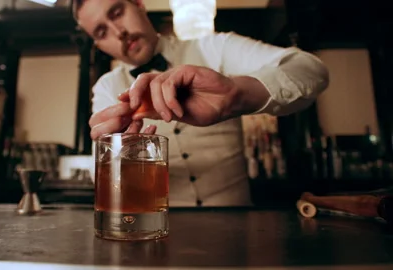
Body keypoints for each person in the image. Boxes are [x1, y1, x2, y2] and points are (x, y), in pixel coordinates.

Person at [74, 0, 329, 207]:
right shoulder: (107, 89)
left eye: (117, 13)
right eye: (102, 32)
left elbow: (310, 70)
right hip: (157, 233)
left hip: (236, 225)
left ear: (139, 4)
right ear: (99, 45)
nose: (119, 33)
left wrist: (237, 94)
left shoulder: (215, 47)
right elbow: (110, 183)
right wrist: (113, 160)